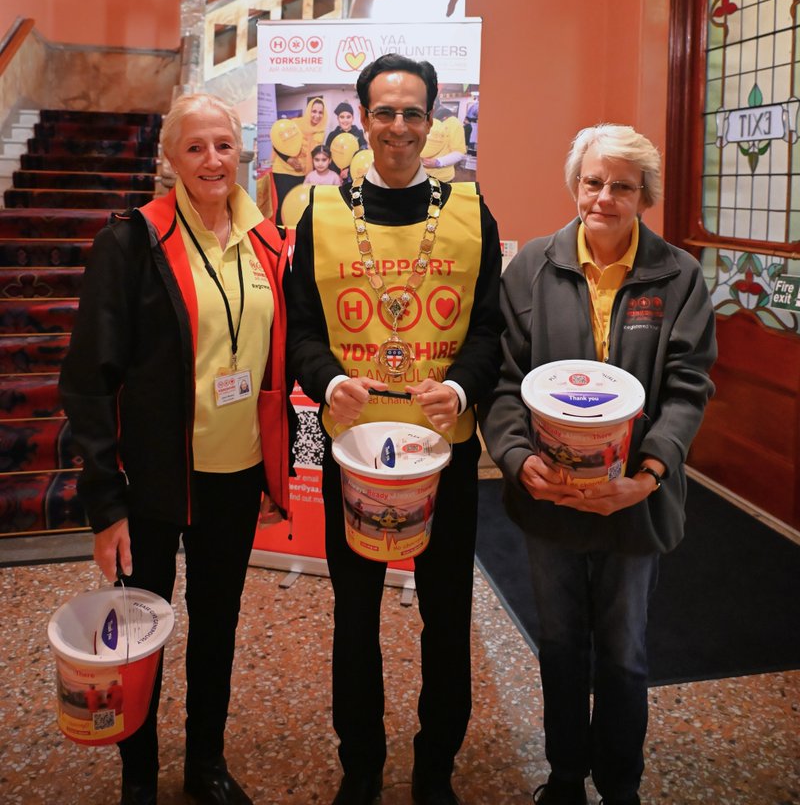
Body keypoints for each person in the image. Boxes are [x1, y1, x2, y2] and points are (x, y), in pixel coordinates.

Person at [59, 93, 295, 805]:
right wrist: (106, 505)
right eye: (195, 147)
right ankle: (138, 775)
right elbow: (89, 380)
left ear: (241, 151)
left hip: (236, 472)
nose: (212, 160)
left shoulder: (267, 239)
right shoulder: (131, 241)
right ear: (170, 158)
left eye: (223, 145)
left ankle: (205, 764)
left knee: (217, 627)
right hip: (153, 479)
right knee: (142, 629)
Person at [478, 124, 717, 805]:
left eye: (622, 185)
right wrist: (518, 459)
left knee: (623, 652)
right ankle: (563, 776)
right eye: (593, 181)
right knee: (558, 645)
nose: (604, 197)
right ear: (574, 184)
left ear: (644, 196)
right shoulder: (531, 269)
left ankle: (620, 782)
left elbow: (687, 387)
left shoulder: (679, 276)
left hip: (634, 502)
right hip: (548, 499)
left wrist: (647, 476)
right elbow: (503, 383)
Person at [288, 54, 503, 805]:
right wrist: (325, 379)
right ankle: (362, 768)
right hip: (356, 450)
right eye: (385, 112)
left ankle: (436, 768)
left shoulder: (474, 213)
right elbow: (303, 332)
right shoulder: (318, 213)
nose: (400, 127)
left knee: (446, 619)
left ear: (433, 118)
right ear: (362, 119)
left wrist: (463, 384)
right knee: (356, 620)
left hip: (444, 451)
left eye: (414, 112)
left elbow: (487, 328)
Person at [325, 101, 368, 181]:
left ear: (353, 118)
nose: (345, 120)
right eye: (342, 117)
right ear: (338, 118)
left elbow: (362, 156)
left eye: (348, 117)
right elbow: (327, 156)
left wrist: (348, 170)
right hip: (334, 177)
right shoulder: (332, 135)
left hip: (354, 176)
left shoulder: (360, 134)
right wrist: (335, 174)